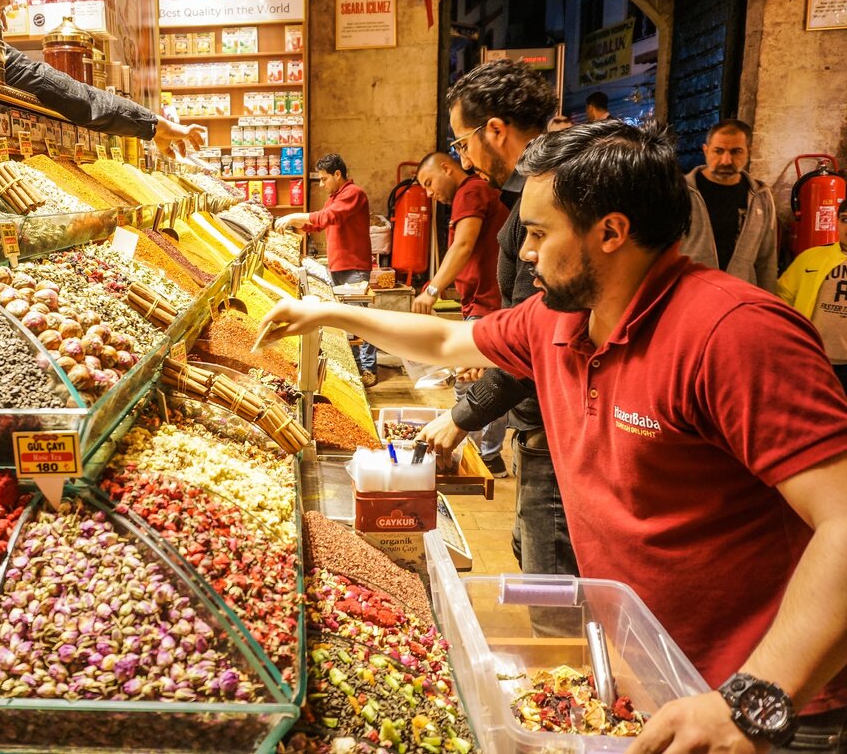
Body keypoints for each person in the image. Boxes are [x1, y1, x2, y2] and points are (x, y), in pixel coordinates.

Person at [258, 120, 847, 754]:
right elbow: (447, 340)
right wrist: (324, 310)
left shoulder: (734, 334)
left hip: (771, 705)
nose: (526, 252)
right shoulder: (558, 320)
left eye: (539, 233)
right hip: (654, 675)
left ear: (611, 232)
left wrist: (754, 700)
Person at [433, 59, 575, 581]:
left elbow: (539, 336)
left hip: (557, 429)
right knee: (533, 552)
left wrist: (462, 416)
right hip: (543, 422)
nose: (465, 160)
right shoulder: (524, 195)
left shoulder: (543, 196)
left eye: (462, 143)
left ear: (495, 130)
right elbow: (520, 330)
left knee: (550, 579)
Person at [0, 0, 205, 158]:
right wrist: (153, 126)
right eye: (1, 10)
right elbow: (64, 91)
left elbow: (67, 91)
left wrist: (153, 126)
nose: (4, 23)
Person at [413, 151, 509, 474]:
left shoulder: (470, 191)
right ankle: (478, 452)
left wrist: (432, 289)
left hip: (488, 305)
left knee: (482, 383)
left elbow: (463, 245)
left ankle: (486, 457)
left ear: (447, 167)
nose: (429, 194)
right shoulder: (468, 195)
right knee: (471, 379)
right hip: (480, 304)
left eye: (429, 184)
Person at [274, 153, 376, 385]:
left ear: (338, 174)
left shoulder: (353, 194)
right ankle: (357, 369)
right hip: (338, 265)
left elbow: (329, 217)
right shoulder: (335, 196)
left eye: (323, 179)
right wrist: (295, 226)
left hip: (354, 267)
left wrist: (294, 216)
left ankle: (369, 369)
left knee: (361, 318)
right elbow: (319, 222)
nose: (321, 185)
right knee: (348, 321)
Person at [680, 119, 778, 291]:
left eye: (736, 152)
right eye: (718, 151)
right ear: (706, 150)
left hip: (739, 300)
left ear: (749, 152)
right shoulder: (679, 192)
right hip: (690, 298)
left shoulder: (760, 197)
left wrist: (768, 305)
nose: (726, 160)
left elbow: (766, 259)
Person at [779, 198, 847, 395]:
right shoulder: (811, 257)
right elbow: (781, 297)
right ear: (836, 221)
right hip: (811, 358)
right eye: (844, 219)